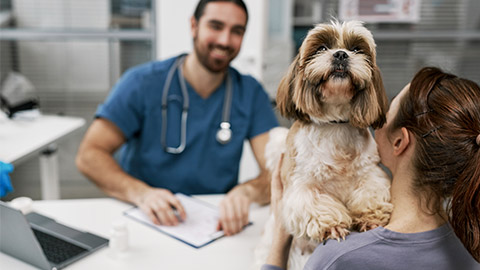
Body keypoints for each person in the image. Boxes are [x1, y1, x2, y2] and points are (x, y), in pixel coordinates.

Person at [76, 0, 278, 236]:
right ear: (194, 26)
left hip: (214, 226)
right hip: (145, 219)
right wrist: (140, 193)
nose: (225, 40)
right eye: (215, 26)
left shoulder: (250, 93)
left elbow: (276, 172)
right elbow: (89, 155)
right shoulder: (142, 83)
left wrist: (247, 192)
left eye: (237, 31)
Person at [262, 67, 480, 269]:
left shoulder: (339, 257)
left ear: (399, 142)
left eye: (386, 111)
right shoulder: (470, 250)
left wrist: (280, 238)